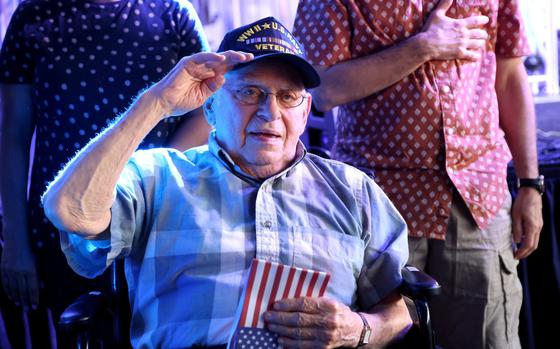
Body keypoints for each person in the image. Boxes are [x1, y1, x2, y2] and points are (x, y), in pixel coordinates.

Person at [42, 17, 413, 348]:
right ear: (209, 107)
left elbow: (399, 312)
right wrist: (157, 103)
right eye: (249, 92)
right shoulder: (158, 176)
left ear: (304, 114)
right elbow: (69, 210)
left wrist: (359, 328)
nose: (271, 112)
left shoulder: (353, 191)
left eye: (288, 97)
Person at [293, 0, 543, 348]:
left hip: (477, 196)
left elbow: (511, 75)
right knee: (373, 337)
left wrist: (531, 184)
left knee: (489, 337)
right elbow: (324, 90)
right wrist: (423, 46)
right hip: (377, 203)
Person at [0, 0, 211, 347]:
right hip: (61, 221)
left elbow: (207, 106)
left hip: (155, 220)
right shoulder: (34, 12)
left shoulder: (172, 12)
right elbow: (13, 135)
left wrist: (157, 171)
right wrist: (15, 243)